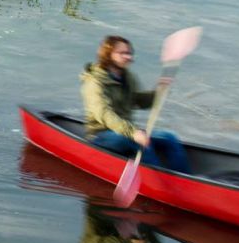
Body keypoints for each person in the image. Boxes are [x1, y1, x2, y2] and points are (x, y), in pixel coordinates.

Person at [82, 35, 192, 173]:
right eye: (122, 53)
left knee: (169, 138)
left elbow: (138, 101)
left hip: (126, 131)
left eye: (129, 53)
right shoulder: (94, 82)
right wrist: (133, 133)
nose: (128, 57)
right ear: (108, 54)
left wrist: (159, 92)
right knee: (138, 143)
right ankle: (156, 182)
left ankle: (184, 178)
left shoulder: (128, 77)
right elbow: (104, 114)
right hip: (101, 135)